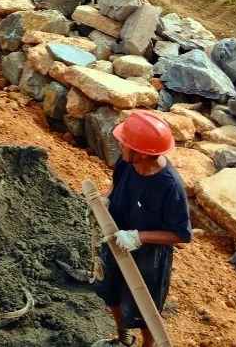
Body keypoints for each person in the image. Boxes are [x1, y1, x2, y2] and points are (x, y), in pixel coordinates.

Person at [92, 111, 191, 347]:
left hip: (149, 256)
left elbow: (182, 234)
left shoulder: (169, 186)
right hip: (117, 240)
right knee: (111, 292)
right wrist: (106, 201)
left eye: (125, 143)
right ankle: (123, 338)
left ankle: (148, 345)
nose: (119, 145)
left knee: (143, 310)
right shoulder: (127, 162)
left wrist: (139, 237)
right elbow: (117, 184)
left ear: (144, 154)